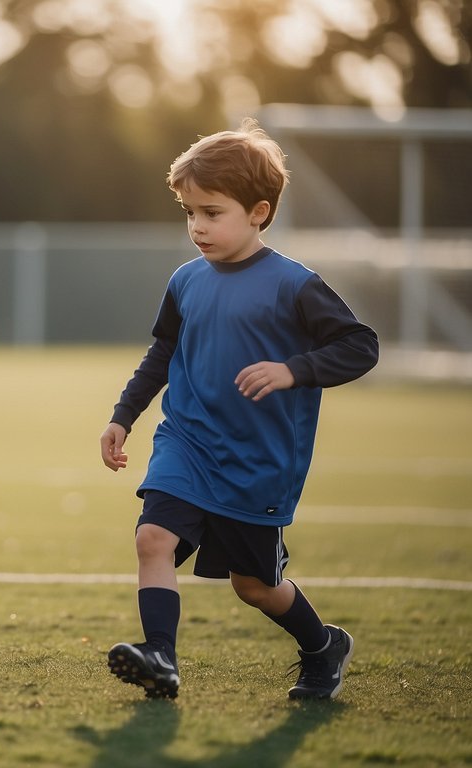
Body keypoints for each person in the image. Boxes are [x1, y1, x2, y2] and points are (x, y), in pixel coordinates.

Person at [98, 119, 379, 700]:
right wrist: (123, 416)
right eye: (189, 212)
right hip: (188, 442)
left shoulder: (293, 285)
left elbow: (360, 346)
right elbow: (162, 354)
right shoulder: (185, 281)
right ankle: (162, 659)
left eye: (212, 212)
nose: (197, 226)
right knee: (153, 537)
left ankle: (323, 646)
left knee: (253, 585)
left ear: (259, 211)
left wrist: (293, 369)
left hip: (259, 460)